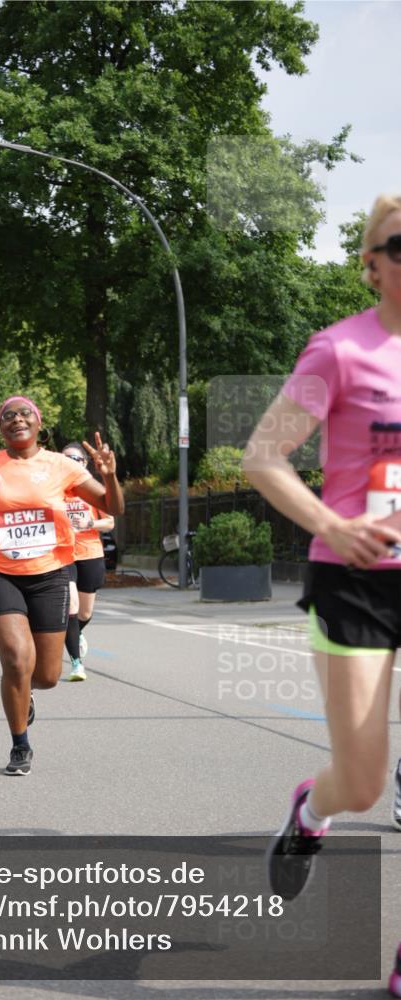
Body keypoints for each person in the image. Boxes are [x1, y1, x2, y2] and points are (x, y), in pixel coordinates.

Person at [242, 193, 401, 998]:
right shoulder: (339, 352)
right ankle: (313, 808)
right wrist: (329, 527)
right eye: (398, 246)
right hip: (357, 582)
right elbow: (264, 458)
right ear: (372, 264)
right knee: (364, 781)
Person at [0, 395, 125, 776]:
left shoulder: (61, 466)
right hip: (0, 574)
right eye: (8, 416)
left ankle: (25, 693)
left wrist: (109, 474)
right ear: (0, 427)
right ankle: (20, 744)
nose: (17, 420)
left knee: (46, 676)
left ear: (39, 422)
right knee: (16, 659)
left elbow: (114, 507)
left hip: (50, 575)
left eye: (24, 414)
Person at [62, 442, 115, 681]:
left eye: (76, 459)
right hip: (63, 556)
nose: (70, 463)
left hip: (90, 553)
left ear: (85, 464)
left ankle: (76, 633)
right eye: (65, 459)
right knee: (71, 606)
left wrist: (90, 524)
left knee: (84, 611)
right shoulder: (54, 489)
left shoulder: (92, 490)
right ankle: (76, 663)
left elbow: (110, 522)